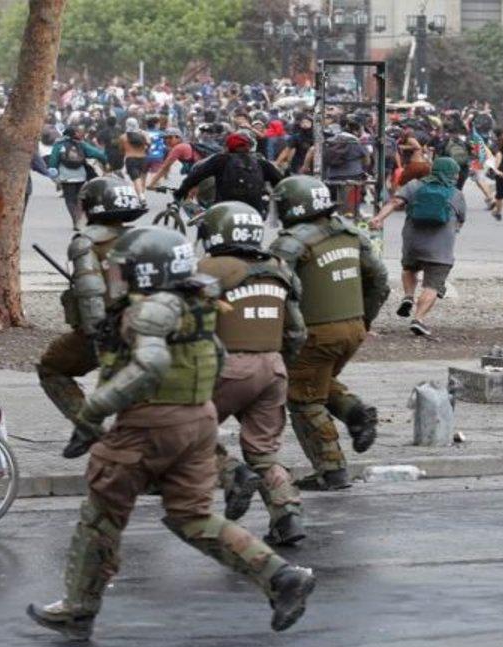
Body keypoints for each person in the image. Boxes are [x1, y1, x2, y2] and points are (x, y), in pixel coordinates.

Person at [27, 226, 316, 641]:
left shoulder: (150, 310)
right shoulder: (194, 303)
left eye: (124, 271)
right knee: (193, 517)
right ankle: (280, 577)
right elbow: (214, 355)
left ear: (146, 273)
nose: (117, 278)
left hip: (147, 425)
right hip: (197, 420)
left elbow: (149, 365)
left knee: (100, 518)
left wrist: (93, 410)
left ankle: (79, 609)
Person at [196, 201, 307, 546]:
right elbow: (297, 331)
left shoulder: (207, 268)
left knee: (187, 431)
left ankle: (231, 474)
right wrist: (276, 359)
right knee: (263, 451)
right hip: (272, 367)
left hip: (225, 366)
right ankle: (287, 516)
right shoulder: (279, 268)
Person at [270, 175, 389, 491]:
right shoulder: (351, 234)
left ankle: (331, 469)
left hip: (315, 331)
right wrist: (365, 320)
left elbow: (279, 291)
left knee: (303, 397)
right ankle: (356, 413)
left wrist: (287, 335)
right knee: (316, 380)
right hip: (352, 327)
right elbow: (380, 280)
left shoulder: (291, 243)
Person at [36, 175, 147, 457]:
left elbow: (90, 294)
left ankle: (89, 428)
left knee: (52, 367)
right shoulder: (144, 239)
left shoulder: (86, 243)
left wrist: (99, 336)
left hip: (107, 332)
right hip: (149, 328)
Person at [369, 156, 466, 337]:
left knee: (409, 268)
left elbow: (394, 202)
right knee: (432, 285)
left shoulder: (414, 185)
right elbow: (460, 222)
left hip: (413, 242)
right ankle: (418, 319)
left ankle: (408, 296)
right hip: (440, 248)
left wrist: (378, 218)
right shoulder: (457, 194)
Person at [175, 129, 283, 216]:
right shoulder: (261, 162)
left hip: (225, 210)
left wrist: (180, 192)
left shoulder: (220, 159)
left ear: (228, 147)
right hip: (255, 214)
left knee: (207, 228)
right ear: (249, 146)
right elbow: (281, 182)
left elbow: (195, 176)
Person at [48, 127, 108, 230]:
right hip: (81, 176)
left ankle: (76, 221)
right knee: (78, 199)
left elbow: (53, 162)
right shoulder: (81, 144)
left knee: (70, 200)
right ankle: (80, 220)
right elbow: (98, 154)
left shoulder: (59, 145)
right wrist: (106, 163)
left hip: (65, 177)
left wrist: (54, 176)